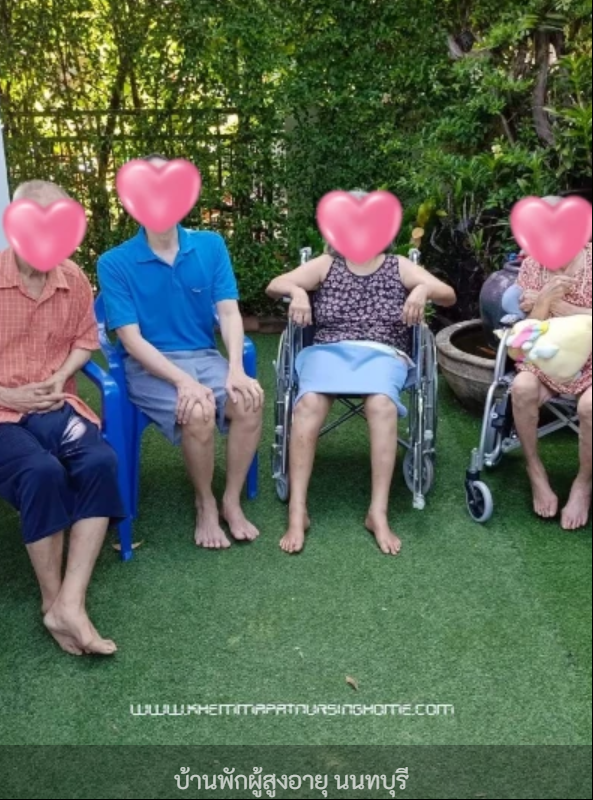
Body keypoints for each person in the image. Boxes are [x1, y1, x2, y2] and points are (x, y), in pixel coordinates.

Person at [266, 196, 456, 556]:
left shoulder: (398, 266)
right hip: (328, 351)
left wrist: (421, 288)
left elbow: (447, 295)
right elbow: (275, 284)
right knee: (307, 404)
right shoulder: (326, 265)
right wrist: (297, 291)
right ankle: (297, 510)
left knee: (382, 404)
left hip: (383, 353)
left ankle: (377, 512)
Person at [97, 154, 264, 551]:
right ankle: (205, 503)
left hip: (204, 356)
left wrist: (236, 369)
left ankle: (230, 500)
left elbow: (228, 312)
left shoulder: (211, 246)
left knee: (249, 400)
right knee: (198, 410)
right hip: (150, 366)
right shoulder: (113, 262)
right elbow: (131, 341)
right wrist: (183, 382)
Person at [0, 180, 126, 656]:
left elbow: (84, 340)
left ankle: (71, 602)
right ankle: (52, 601)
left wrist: (60, 377)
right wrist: (8, 392)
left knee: (99, 461)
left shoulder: (72, 278)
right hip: (2, 411)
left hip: (56, 407)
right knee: (41, 471)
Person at [512, 197, 592, 530]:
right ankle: (535, 469)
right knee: (521, 387)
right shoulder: (532, 266)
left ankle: (583, 483)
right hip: (547, 355)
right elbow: (531, 327)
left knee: (590, 406)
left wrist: (563, 308)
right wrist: (544, 300)